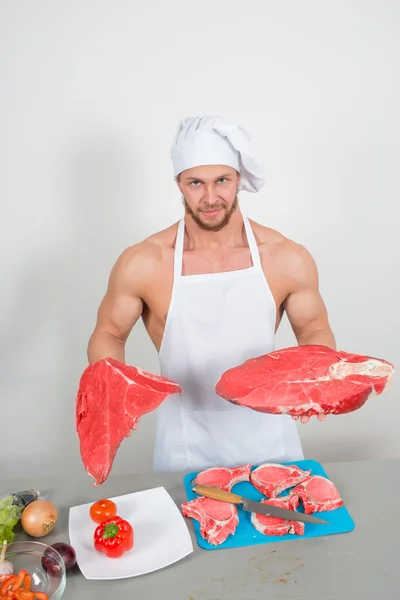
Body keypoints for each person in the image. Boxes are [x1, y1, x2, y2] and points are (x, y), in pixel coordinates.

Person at [87, 114, 336, 472]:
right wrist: (111, 386)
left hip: (270, 436)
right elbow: (109, 333)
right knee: (188, 528)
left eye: (222, 180)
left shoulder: (285, 257)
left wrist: (316, 382)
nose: (210, 197)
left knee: (284, 526)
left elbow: (313, 328)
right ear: (178, 184)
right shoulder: (142, 262)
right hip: (185, 440)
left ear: (238, 179)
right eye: (195, 183)